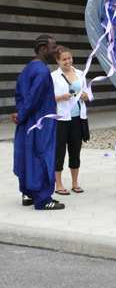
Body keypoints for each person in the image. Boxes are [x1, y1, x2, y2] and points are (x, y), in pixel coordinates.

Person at [11, 35, 65, 210]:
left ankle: (27, 194)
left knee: (27, 156)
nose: (56, 50)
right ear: (43, 48)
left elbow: (19, 94)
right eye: (53, 47)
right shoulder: (42, 71)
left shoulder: (27, 69)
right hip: (40, 123)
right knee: (43, 156)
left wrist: (20, 113)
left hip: (26, 122)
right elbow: (35, 98)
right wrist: (22, 114)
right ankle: (43, 199)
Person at [51, 46, 88, 195]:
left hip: (78, 118)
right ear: (57, 60)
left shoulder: (80, 73)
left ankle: (75, 183)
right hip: (61, 118)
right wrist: (61, 97)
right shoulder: (53, 76)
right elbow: (46, 98)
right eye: (64, 59)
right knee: (59, 151)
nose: (68, 61)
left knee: (75, 151)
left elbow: (88, 94)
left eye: (69, 58)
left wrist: (85, 96)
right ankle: (58, 184)